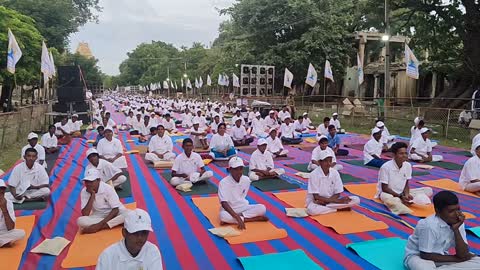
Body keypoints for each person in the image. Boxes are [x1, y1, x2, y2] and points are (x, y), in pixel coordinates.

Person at [404, 191, 480, 270]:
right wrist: (456, 259)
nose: (457, 214)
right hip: (419, 258)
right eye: (451, 211)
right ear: (438, 211)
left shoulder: (457, 222)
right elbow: (425, 255)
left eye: (458, 209)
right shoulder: (429, 225)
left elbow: (463, 254)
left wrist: (456, 230)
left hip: (442, 257)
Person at [376, 142, 433, 215]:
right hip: (388, 193)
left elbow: (406, 184)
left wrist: (406, 195)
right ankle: (401, 204)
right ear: (394, 155)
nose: (404, 155)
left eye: (405, 153)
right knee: (388, 198)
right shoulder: (386, 167)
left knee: (428, 190)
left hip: (401, 193)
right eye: (401, 153)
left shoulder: (408, 165)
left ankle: (403, 201)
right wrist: (400, 196)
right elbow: (385, 188)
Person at [96, 208, 163, 270]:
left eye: (144, 232)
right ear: (124, 233)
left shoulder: (152, 251)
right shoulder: (108, 256)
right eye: (135, 233)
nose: (140, 237)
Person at [218, 157, 268, 229]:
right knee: (223, 216)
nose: (239, 171)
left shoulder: (246, 180)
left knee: (262, 208)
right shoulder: (223, 183)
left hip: (243, 207)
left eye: (241, 168)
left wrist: (238, 216)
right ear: (229, 170)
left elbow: (242, 196)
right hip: (229, 209)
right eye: (236, 169)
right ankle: (251, 219)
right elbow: (224, 203)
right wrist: (237, 218)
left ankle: (234, 219)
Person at [306, 151, 360, 216]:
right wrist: (337, 201)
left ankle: (327, 207)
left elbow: (338, 192)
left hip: (330, 201)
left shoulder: (335, 173)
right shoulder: (314, 174)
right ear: (320, 162)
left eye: (330, 161)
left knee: (356, 199)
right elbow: (316, 196)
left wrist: (330, 201)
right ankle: (337, 209)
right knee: (311, 210)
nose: (328, 163)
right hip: (317, 202)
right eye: (325, 161)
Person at [77, 169, 130, 234]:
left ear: (98, 180)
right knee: (80, 221)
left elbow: (115, 209)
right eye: (86, 181)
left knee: (130, 214)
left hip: (115, 213)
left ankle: (103, 226)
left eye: (91, 181)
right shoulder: (84, 191)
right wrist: (92, 195)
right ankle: (116, 223)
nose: (88, 184)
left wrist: (98, 226)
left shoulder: (107, 188)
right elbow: (85, 214)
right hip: (99, 215)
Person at [0, 179, 25, 247]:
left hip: (3, 233)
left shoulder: (8, 203)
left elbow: (11, 228)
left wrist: (4, 209)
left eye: (2, 193)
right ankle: (3, 242)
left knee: (21, 233)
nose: (0, 195)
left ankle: (2, 242)